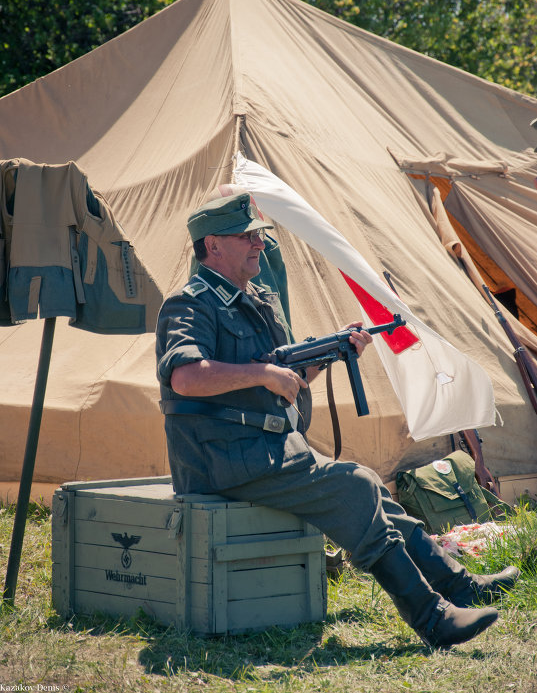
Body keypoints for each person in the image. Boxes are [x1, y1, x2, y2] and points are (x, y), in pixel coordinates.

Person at [156, 191, 519, 649]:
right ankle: (433, 619)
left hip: (264, 449)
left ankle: (459, 584)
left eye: (259, 236)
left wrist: (332, 353)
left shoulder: (260, 299)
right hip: (218, 457)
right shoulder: (190, 305)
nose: (259, 245)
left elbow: (287, 378)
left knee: (371, 492)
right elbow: (186, 378)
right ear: (213, 245)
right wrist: (264, 373)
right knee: (356, 486)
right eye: (246, 236)